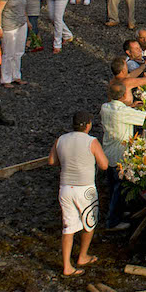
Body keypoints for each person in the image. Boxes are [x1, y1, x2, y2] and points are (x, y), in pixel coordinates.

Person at [49, 110, 107, 276]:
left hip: (66, 188)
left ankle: (67, 266)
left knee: (68, 226)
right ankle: (82, 256)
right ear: (88, 125)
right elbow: (103, 165)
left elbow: (51, 161)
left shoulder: (60, 139)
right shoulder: (92, 141)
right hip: (85, 188)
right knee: (89, 222)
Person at [98, 78, 146, 230]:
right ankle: (112, 221)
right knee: (118, 189)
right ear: (123, 96)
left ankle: (118, 213)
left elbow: (120, 110)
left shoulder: (105, 107)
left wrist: (131, 106)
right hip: (120, 154)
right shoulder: (123, 112)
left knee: (113, 185)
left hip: (107, 152)